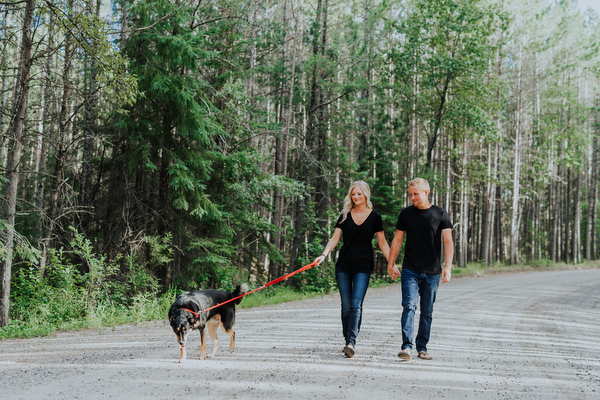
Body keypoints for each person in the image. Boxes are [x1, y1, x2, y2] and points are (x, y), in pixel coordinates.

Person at [315, 181, 390, 358]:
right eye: (353, 194)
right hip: (344, 266)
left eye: (359, 194)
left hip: (363, 266)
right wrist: (324, 255)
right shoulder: (344, 215)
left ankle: (351, 342)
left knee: (356, 305)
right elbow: (334, 239)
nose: (356, 197)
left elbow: (382, 243)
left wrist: (391, 263)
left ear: (366, 195)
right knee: (346, 307)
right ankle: (347, 339)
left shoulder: (375, 217)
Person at [387, 178, 454, 361]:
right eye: (410, 194)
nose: (412, 197)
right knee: (409, 306)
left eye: (415, 194)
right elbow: (397, 240)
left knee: (427, 311)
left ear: (426, 192)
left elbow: (448, 242)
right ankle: (406, 347)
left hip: (432, 271)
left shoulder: (440, 214)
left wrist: (447, 267)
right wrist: (391, 263)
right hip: (410, 269)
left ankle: (422, 348)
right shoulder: (406, 214)